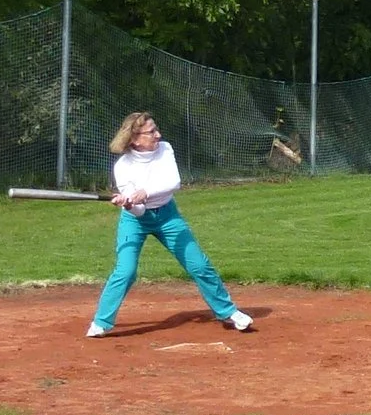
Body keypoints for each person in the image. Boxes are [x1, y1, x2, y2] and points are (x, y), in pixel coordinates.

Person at [89, 111, 255, 338]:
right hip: (135, 221)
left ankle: (228, 312)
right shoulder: (123, 166)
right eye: (151, 132)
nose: (158, 134)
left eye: (156, 129)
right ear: (135, 138)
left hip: (168, 215)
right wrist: (128, 204)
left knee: (198, 264)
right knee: (125, 271)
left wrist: (144, 192)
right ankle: (101, 322)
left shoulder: (165, 149)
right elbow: (138, 211)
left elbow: (173, 182)